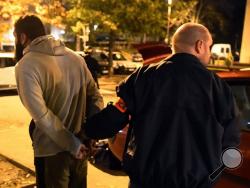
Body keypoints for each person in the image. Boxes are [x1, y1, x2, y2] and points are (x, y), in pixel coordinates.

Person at [84, 23, 240, 188]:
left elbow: (113, 117)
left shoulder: (143, 77)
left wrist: (87, 131)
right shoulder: (218, 88)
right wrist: (212, 176)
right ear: (199, 46)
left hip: (146, 183)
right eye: (209, 47)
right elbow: (231, 142)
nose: (209, 53)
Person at [14, 15, 104, 188]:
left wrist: (73, 145)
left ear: (23, 37)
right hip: (81, 147)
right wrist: (91, 134)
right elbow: (95, 97)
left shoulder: (26, 65)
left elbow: (42, 116)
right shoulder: (75, 58)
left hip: (51, 153)